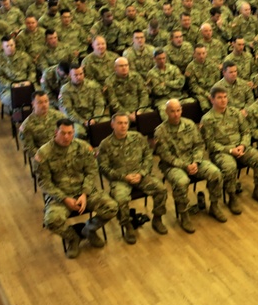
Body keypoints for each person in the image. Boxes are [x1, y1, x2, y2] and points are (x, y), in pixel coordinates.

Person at [36, 119, 117, 257]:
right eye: (63, 133)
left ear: (74, 132)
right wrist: (65, 198)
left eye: (70, 133)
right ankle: (73, 238)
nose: (67, 137)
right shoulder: (44, 153)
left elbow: (91, 171)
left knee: (112, 207)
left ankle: (89, 230)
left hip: (84, 191)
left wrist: (85, 194)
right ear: (56, 132)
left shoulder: (83, 147)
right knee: (51, 221)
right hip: (60, 196)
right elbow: (44, 182)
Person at [154, 99, 227, 232]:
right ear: (166, 112)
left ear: (181, 110)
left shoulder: (189, 124)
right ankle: (184, 215)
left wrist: (195, 161)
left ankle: (214, 205)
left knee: (215, 173)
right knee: (181, 182)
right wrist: (185, 166)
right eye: (172, 111)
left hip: (193, 161)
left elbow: (199, 145)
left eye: (178, 110)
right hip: (173, 166)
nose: (176, 114)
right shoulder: (160, 131)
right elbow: (166, 156)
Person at [97, 112, 169, 243]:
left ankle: (157, 219)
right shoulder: (105, 144)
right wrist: (124, 177)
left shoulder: (138, 137)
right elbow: (104, 168)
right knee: (120, 199)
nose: (123, 126)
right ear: (112, 124)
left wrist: (141, 173)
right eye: (119, 123)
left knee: (161, 189)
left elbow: (148, 157)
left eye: (125, 123)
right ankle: (127, 225)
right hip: (120, 180)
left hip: (140, 175)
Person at [201, 86, 258, 213]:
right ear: (212, 100)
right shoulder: (207, 119)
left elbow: (246, 131)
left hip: (240, 147)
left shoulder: (235, 113)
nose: (223, 100)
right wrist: (230, 150)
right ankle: (232, 197)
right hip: (221, 152)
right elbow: (210, 144)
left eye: (225, 97)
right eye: (219, 98)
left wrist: (243, 145)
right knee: (230, 168)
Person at [59, 65, 107, 139]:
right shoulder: (65, 89)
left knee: (107, 126)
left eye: (81, 74)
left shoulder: (93, 85)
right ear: (70, 75)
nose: (79, 77)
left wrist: (95, 119)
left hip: (95, 116)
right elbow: (69, 111)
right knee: (78, 133)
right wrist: (83, 121)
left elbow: (100, 104)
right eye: (75, 75)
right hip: (78, 119)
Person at [0, 36, 37, 111]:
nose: (10, 48)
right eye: (7, 46)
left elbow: (32, 69)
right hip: (8, 88)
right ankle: (18, 118)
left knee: (40, 95)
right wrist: (12, 85)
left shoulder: (24, 56)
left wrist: (30, 81)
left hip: (27, 84)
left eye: (11, 45)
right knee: (15, 98)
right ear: (2, 47)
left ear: (15, 44)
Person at [19, 90, 66, 159]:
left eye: (46, 101)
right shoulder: (27, 126)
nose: (44, 105)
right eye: (40, 102)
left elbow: (68, 133)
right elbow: (30, 149)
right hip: (44, 157)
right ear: (33, 104)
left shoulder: (58, 116)